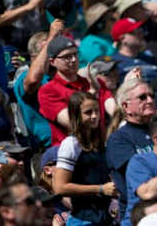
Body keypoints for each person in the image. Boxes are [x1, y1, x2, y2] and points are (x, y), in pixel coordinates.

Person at [53, 92, 117, 225]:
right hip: (83, 220)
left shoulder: (100, 143)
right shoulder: (71, 144)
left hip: (105, 218)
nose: (95, 116)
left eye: (97, 111)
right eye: (88, 112)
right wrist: (100, 189)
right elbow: (60, 187)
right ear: (77, 116)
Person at [38, 36, 112, 146]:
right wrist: (91, 94)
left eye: (75, 54)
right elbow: (73, 123)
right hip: (72, 153)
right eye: (67, 57)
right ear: (52, 62)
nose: (73, 60)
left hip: (100, 147)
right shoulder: (48, 91)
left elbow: (116, 112)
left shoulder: (93, 82)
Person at [106, 78, 155, 220]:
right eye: (142, 97)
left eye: (152, 96)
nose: (150, 100)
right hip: (137, 214)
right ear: (126, 106)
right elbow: (138, 174)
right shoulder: (119, 139)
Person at [13, 20, 64, 151]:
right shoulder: (23, 77)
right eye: (47, 50)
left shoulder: (62, 76)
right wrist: (51, 37)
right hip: (47, 150)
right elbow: (33, 81)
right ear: (34, 57)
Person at [79, 3, 117, 67]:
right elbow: (99, 66)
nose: (116, 21)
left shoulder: (109, 38)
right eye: (112, 19)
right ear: (100, 24)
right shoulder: (90, 42)